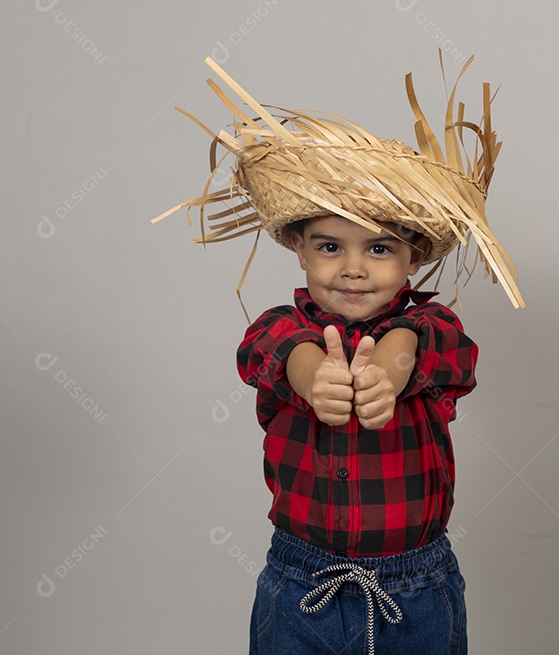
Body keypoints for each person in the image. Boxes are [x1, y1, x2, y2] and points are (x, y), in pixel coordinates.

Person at [153, 51, 525, 654]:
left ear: (415, 256)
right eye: (331, 245)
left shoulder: (432, 326)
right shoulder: (284, 327)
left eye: (379, 249)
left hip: (416, 588)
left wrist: (392, 366)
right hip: (300, 582)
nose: (353, 268)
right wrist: (309, 374)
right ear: (298, 247)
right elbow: (267, 350)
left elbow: (445, 351)